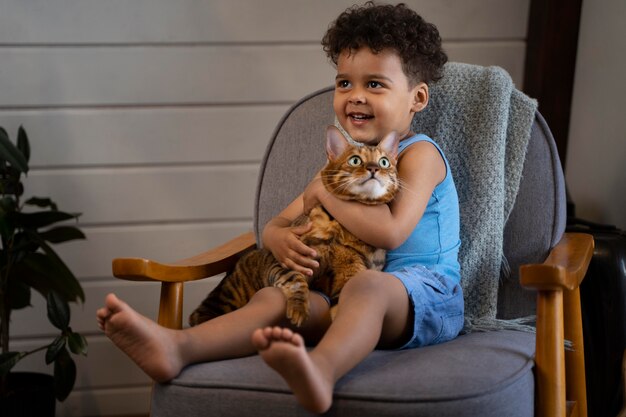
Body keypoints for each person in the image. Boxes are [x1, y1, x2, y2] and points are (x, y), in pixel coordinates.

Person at [96, 2, 463, 414]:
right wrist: (278, 237)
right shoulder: (341, 169)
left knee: (368, 287)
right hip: (339, 297)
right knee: (278, 297)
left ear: (417, 97)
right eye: (345, 83)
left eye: (375, 84)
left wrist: (323, 194)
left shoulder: (419, 155)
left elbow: (392, 232)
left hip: (422, 296)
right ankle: (178, 347)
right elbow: (281, 220)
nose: (355, 96)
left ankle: (321, 369)